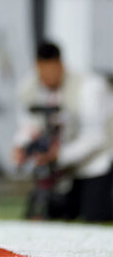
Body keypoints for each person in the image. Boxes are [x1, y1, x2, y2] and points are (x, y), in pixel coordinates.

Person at [13, 41, 113, 222]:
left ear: (60, 65)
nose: (46, 77)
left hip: (97, 163)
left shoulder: (89, 87)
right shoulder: (29, 86)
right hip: (63, 168)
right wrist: (21, 145)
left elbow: (96, 137)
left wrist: (59, 155)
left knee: (95, 214)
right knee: (56, 214)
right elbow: (29, 124)